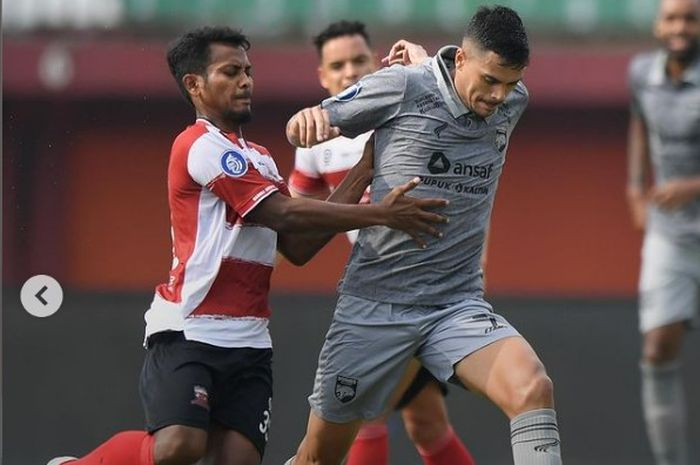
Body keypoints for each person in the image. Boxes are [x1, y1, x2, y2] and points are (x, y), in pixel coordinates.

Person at [46, 26, 448, 465]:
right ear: (194, 85)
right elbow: (278, 214)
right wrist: (383, 215)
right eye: (231, 71)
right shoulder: (197, 145)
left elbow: (297, 247)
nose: (245, 81)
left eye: (248, 71)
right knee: (180, 445)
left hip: (250, 342)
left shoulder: (260, 156)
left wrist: (366, 166)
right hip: (190, 330)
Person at [283, 6, 563, 465]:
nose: (498, 95)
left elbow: (459, 80)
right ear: (460, 61)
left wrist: (434, 63)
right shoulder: (400, 86)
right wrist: (305, 123)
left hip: (455, 305)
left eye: (509, 82)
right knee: (319, 456)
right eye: (490, 80)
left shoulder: (513, 103)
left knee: (533, 387)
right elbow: (315, 120)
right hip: (375, 307)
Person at [288, 20, 476, 465]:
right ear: (322, 76)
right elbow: (300, 220)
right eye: (337, 65)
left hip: (425, 288)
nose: (349, 71)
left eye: (358, 60)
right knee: (426, 423)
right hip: (380, 291)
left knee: (364, 413)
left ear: (375, 62)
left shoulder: (405, 108)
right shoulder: (318, 142)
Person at [626, 1, 700, 464]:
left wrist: (690, 186)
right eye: (671, 18)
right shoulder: (641, 74)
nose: (679, 27)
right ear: (658, 24)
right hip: (670, 234)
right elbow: (639, 123)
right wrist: (635, 187)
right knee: (656, 347)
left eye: (690, 18)